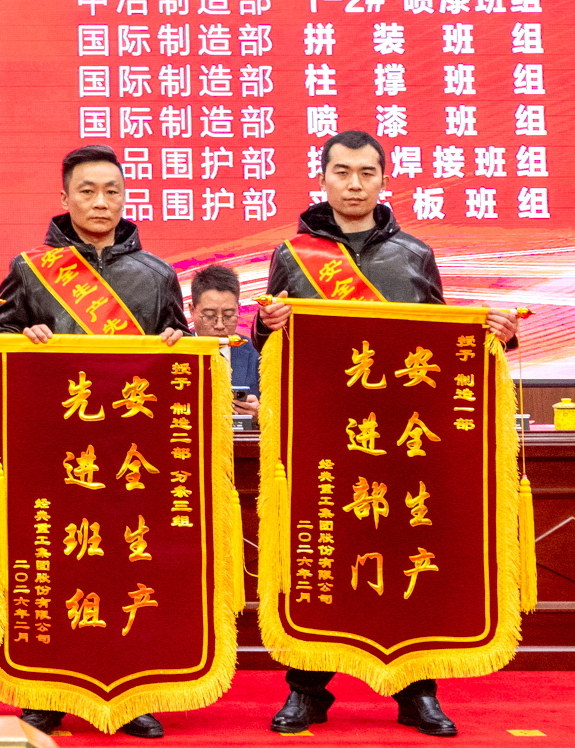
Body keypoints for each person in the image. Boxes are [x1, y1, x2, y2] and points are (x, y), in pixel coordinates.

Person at [255, 129, 519, 738]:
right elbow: (272, 348)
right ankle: (307, 689)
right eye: (342, 172)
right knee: (319, 551)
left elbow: (442, 345)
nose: (354, 184)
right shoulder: (292, 256)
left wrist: (496, 337)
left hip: (404, 439)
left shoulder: (413, 254)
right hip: (323, 434)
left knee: (407, 551)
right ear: (323, 178)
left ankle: (417, 691)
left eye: (366, 173)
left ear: (383, 179)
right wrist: (268, 326)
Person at [0, 144, 189, 741]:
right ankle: (45, 694)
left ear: (125, 197)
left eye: (112, 191)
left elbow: (181, 356)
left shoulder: (156, 274)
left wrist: (176, 344)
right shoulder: (31, 269)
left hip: (131, 453)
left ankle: (132, 694)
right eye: (87, 191)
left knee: (130, 566)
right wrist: (22, 334)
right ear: (65, 198)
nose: (100, 202)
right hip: (55, 451)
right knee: (53, 563)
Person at [188, 264, 259, 413]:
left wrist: (261, 414)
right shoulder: (175, 351)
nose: (220, 325)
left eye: (228, 315)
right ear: (192, 310)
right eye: (209, 316)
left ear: (238, 308)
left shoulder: (257, 354)